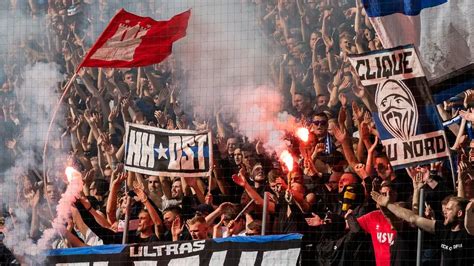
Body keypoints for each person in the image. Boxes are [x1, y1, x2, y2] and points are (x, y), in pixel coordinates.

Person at [371, 192, 474, 265]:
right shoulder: (442, 229)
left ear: (460, 213)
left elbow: (468, 212)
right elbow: (412, 218)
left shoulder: (469, 232)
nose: (444, 212)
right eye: (445, 209)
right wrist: (388, 204)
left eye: (449, 209)